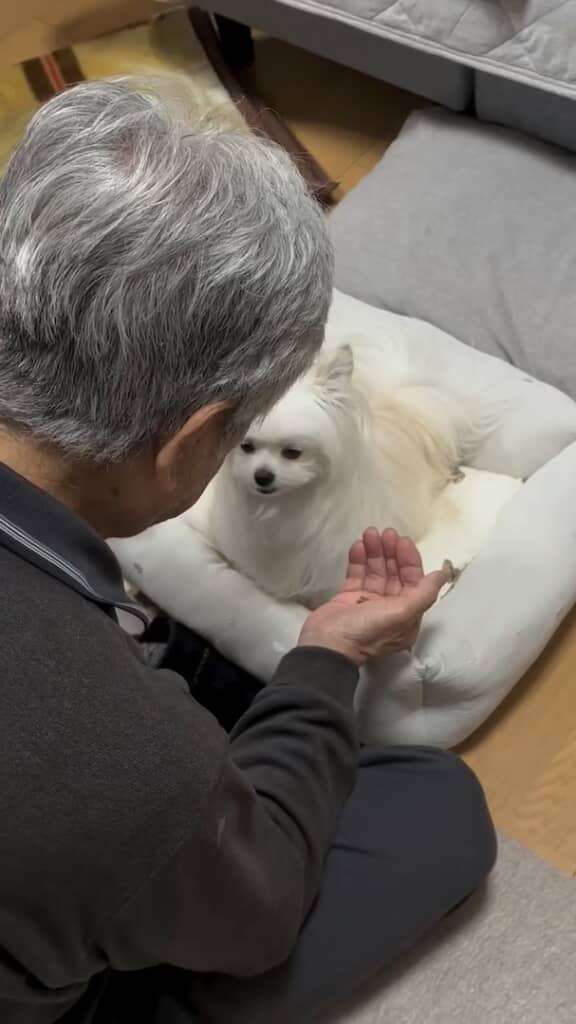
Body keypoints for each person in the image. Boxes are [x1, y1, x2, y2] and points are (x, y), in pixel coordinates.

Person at [0, 78, 496, 1024]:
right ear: (195, 440)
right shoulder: (115, 754)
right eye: (242, 440)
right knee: (434, 804)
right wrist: (328, 659)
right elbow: (255, 915)